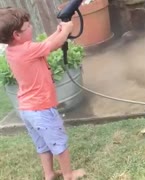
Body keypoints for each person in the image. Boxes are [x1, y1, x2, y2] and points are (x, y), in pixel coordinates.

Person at [0, 7, 85, 180]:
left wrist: (57, 31)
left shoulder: (13, 51)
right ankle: (69, 175)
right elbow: (53, 45)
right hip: (41, 109)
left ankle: (50, 174)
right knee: (59, 144)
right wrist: (66, 30)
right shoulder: (27, 50)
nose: (31, 27)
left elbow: (45, 45)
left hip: (27, 109)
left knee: (43, 145)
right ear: (16, 34)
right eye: (28, 26)